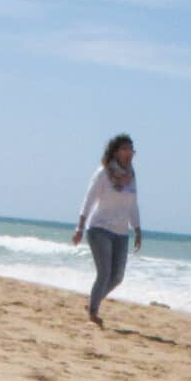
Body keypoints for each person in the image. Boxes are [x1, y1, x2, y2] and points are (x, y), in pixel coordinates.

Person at [71, 133, 142, 326]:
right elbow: (89, 199)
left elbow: (133, 203)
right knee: (104, 273)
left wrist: (137, 228)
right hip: (99, 228)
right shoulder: (103, 173)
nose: (129, 154)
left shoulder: (131, 175)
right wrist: (79, 227)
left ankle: (93, 302)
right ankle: (93, 313)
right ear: (116, 151)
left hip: (121, 233)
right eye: (125, 149)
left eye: (131, 151)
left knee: (117, 277)